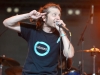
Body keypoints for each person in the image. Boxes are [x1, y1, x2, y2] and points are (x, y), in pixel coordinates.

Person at [3, 2, 74, 75]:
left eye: (59, 15)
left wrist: (61, 31)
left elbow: (70, 54)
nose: (58, 18)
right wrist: (28, 15)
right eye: (54, 14)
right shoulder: (32, 30)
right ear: (44, 17)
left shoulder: (61, 35)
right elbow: (6, 23)